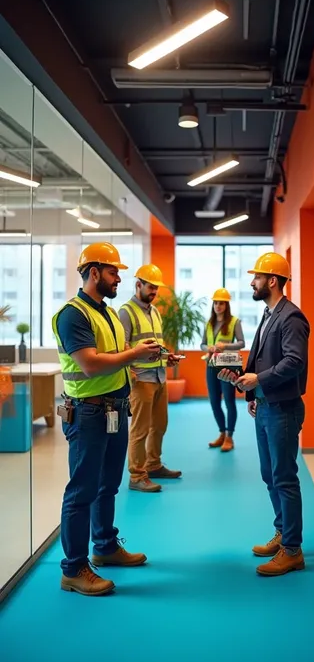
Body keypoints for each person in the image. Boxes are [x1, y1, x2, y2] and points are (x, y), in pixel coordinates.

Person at [53, 243, 163, 596]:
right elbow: (89, 363)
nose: (119, 278)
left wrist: (149, 357)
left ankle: (104, 546)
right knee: (81, 492)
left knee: (108, 485)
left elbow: (116, 358)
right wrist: (134, 353)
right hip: (87, 414)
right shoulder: (73, 315)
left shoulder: (108, 314)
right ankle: (73, 569)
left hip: (114, 409)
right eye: (114, 272)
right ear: (95, 272)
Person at [218, 252, 310, 577]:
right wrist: (250, 387)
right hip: (266, 405)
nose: (252, 282)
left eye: (256, 277)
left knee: (284, 478)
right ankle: (283, 533)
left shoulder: (291, 317)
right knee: (270, 475)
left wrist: (260, 380)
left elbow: (294, 361)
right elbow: (263, 358)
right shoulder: (270, 313)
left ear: (272, 280)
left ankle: (293, 550)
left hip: (283, 409)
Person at [119, 264, 182, 493]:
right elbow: (122, 346)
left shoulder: (154, 312)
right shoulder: (126, 311)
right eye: (151, 287)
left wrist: (167, 357)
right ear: (138, 285)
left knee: (159, 426)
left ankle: (153, 465)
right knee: (140, 429)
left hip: (159, 376)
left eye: (156, 288)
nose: (154, 292)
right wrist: (130, 372)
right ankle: (136, 475)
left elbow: (156, 343)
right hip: (141, 379)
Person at [201, 288, 245, 452]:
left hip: (228, 366)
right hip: (211, 366)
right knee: (214, 402)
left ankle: (229, 436)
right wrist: (209, 348)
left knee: (229, 401)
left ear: (226, 305)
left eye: (221, 303)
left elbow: (241, 343)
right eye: (216, 303)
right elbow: (202, 344)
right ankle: (221, 433)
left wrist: (224, 345)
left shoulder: (235, 322)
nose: (218, 306)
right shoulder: (208, 323)